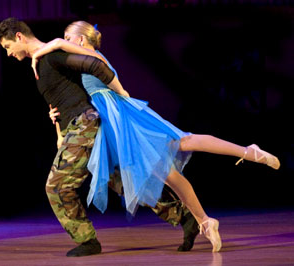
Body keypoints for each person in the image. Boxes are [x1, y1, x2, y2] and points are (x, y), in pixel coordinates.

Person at [31, 21, 281, 253]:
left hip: (120, 114)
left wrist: (47, 46)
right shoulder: (79, 60)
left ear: (82, 40)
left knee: (182, 142)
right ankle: (205, 221)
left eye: (67, 37)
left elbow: (99, 69)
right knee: (168, 171)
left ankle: (249, 152)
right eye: (63, 38)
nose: (63, 41)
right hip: (109, 116)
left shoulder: (90, 54)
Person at [0, 17, 199, 258]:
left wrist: (122, 93)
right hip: (77, 126)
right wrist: (58, 132)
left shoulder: (52, 54)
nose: (8, 54)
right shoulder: (40, 63)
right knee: (122, 181)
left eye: (7, 47)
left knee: (57, 187)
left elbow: (96, 64)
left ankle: (88, 241)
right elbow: (58, 103)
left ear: (19, 36)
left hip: (85, 124)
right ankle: (185, 218)